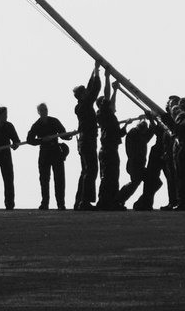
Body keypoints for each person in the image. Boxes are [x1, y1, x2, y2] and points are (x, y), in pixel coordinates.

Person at [26, 103, 70, 210]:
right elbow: (29, 140)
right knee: (44, 179)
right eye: (42, 110)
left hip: (56, 152)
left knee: (59, 179)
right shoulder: (36, 125)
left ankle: (61, 204)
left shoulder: (54, 121)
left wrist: (69, 136)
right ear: (39, 112)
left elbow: (63, 134)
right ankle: (45, 203)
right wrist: (42, 140)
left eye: (45, 109)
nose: (44, 112)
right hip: (45, 152)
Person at [95, 75, 129, 211]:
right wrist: (107, 77)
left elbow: (112, 103)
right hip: (108, 149)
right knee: (108, 176)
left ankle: (113, 201)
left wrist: (116, 90)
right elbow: (107, 96)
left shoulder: (110, 116)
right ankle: (104, 201)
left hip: (111, 148)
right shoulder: (103, 113)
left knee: (113, 176)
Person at [73, 62, 101, 210]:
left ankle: (80, 201)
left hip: (84, 141)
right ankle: (84, 201)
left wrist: (94, 70)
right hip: (88, 140)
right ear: (81, 95)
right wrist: (97, 73)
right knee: (91, 170)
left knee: (86, 171)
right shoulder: (85, 105)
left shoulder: (81, 106)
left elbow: (91, 88)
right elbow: (95, 89)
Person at [117, 119, 153, 208]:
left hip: (136, 165)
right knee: (140, 182)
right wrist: (150, 119)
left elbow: (151, 131)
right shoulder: (134, 134)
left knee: (145, 182)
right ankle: (119, 199)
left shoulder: (140, 137)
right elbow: (150, 132)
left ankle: (121, 199)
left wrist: (150, 120)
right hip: (134, 165)